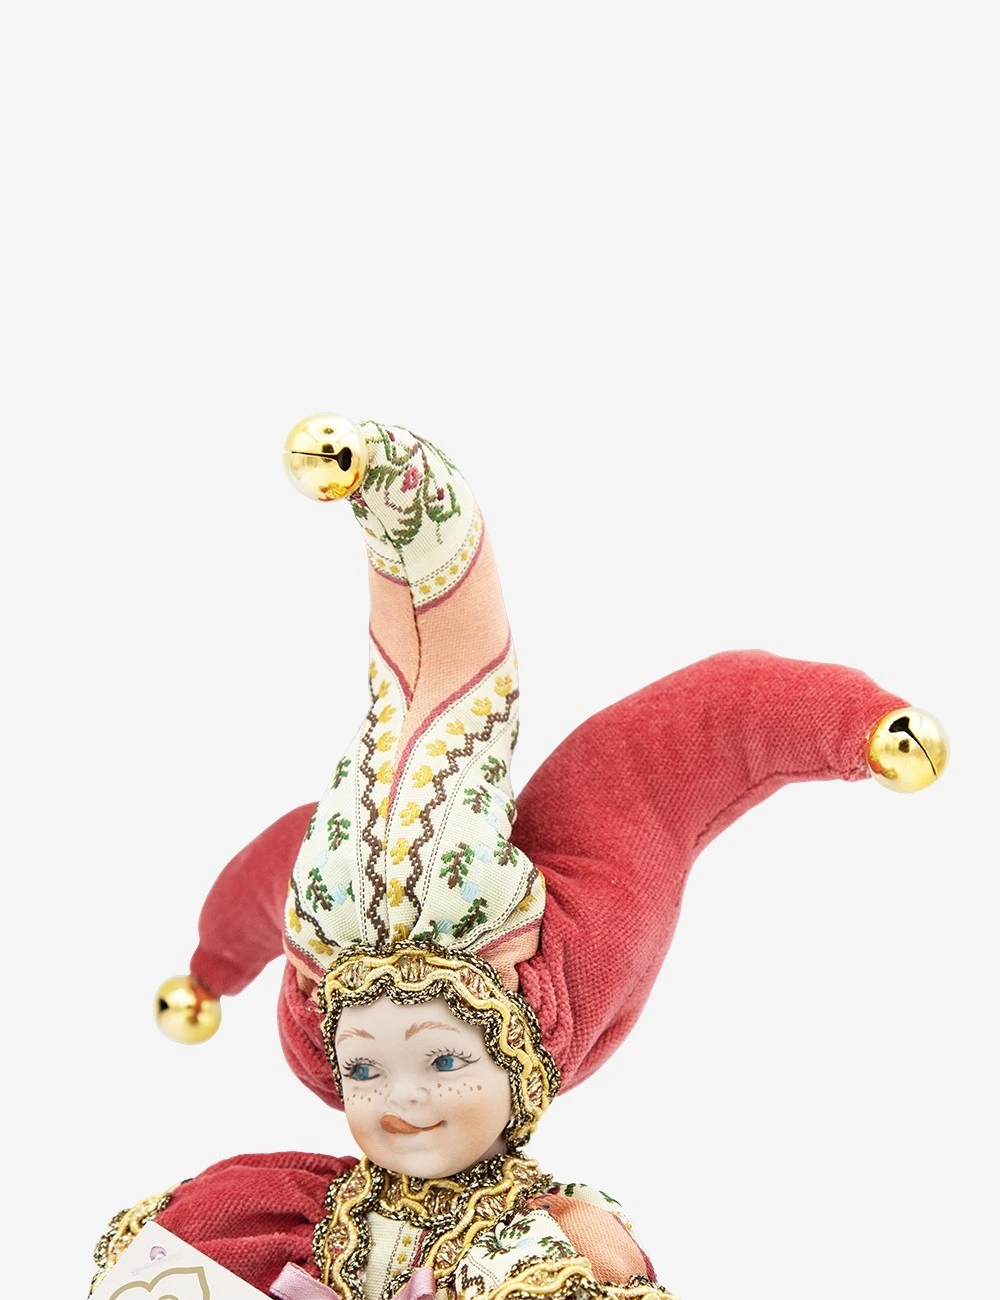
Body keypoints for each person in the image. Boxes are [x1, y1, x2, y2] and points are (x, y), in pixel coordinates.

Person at [90, 418, 946, 1298]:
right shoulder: (278, 1213)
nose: (401, 1099)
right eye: (365, 1068)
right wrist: (214, 968)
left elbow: (692, 738)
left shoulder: (549, 1248)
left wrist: (854, 725)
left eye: (444, 1061)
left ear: (520, 1058)